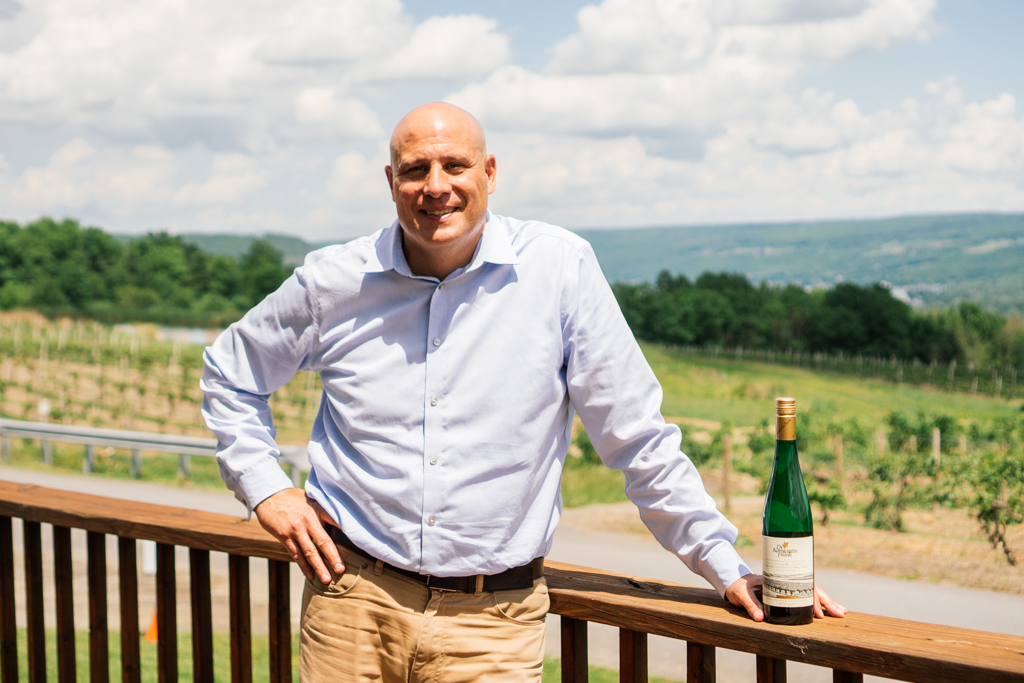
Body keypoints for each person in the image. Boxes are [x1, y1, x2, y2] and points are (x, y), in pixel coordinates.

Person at [201, 102, 846, 682]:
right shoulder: (334, 282)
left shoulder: (559, 271)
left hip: (494, 626)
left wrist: (722, 562)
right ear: (390, 181)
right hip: (350, 605)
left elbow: (637, 437)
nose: (436, 187)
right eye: (415, 169)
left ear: (488, 172)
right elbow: (230, 373)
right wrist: (267, 487)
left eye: (454, 165)